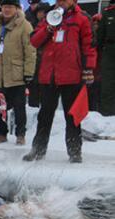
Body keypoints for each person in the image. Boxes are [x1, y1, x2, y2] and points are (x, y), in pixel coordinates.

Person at [23, 0, 97, 163]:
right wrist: (48, 29)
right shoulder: (48, 17)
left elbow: (89, 45)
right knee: (44, 115)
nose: (62, 2)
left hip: (72, 75)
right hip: (49, 75)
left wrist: (88, 69)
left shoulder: (82, 18)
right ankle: (38, 150)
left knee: (72, 116)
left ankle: (74, 152)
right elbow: (35, 41)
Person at [0, 0, 36, 146]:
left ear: (16, 8)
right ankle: (1, 133)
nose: (7, 10)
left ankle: (20, 134)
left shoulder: (25, 26)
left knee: (19, 107)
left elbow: (30, 51)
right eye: (5, 7)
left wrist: (28, 72)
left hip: (16, 74)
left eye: (10, 7)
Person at [96, 0, 115, 116]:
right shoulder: (108, 13)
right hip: (109, 51)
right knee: (108, 85)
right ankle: (108, 115)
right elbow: (100, 36)